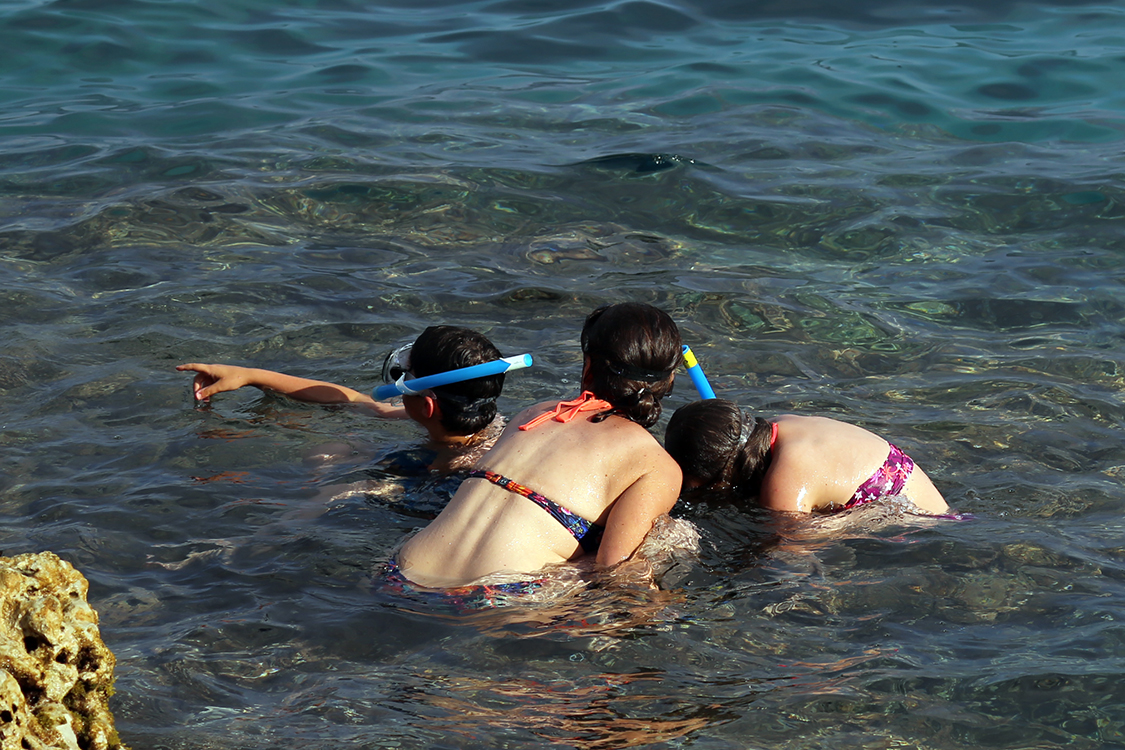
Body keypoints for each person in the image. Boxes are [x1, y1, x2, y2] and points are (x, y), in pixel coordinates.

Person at [387, 302, 685, 591]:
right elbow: (615, 571)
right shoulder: (655, 464)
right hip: (498, 596)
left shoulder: (536, 413)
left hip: (400, 573)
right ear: (670, 378)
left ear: (588, 366)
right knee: (676, 541)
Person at [177, 325, 507, 456]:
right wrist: (250, 375)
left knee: (328, 454)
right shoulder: (486, 426)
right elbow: (353, 401)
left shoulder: (449, 469)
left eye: (405, 379)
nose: (397, 387)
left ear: (428, 407)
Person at [663, 398, 949, 515]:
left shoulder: (783, 486)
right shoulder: (782, 425)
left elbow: (792, 562)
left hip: (918, 528)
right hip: (938, 510)